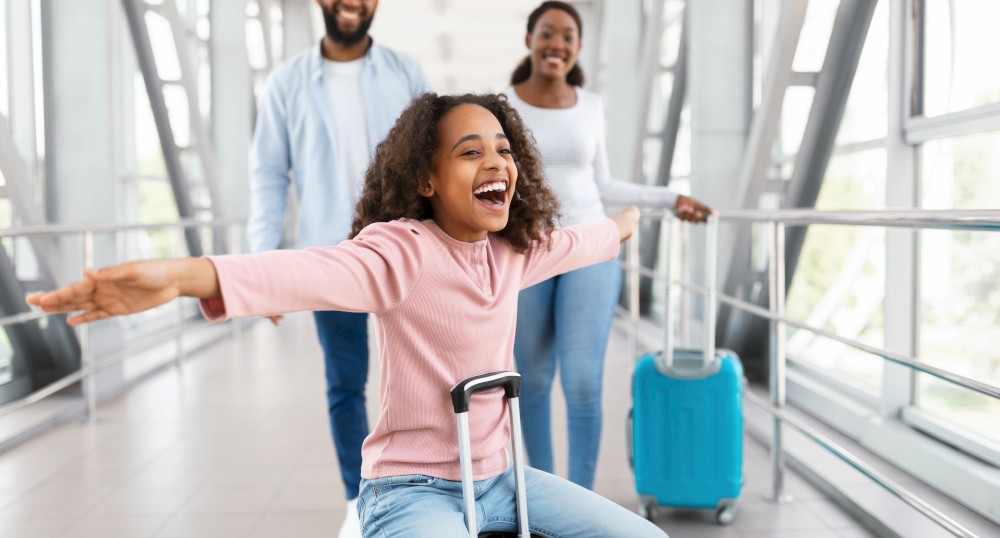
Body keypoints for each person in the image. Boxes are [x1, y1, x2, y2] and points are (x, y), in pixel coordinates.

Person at [27, 93, 666, 538]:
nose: (497, 162)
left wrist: (624, 225)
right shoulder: (401, 251)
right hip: (412, 491)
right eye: (471, 153)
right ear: (427, 181)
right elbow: (304, 270)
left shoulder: (510, 253)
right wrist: (180, 276)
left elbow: (581, 242)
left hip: (503, 480)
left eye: (504, 149)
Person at [506, 1, 715, 490]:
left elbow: (604, 185)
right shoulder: (502, 107)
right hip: (528, 252)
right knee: (532, 380)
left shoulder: (591, 105)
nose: (556, 43)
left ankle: (579, 499)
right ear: (530, 39)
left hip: (591, 247)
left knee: (581, 380)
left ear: (577, 47)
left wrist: (670, 198)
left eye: (567, 36)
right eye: (547, 33)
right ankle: (542, 496)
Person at [249, 1, 428, 533]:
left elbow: (434, 158)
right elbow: (267, 175)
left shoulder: (407, 72)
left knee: (422, 379)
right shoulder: (286, 83)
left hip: (406, 247)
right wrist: (263, 271)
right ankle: (359, 499)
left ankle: (423, 488)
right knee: (346, 383)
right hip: (331, 254)